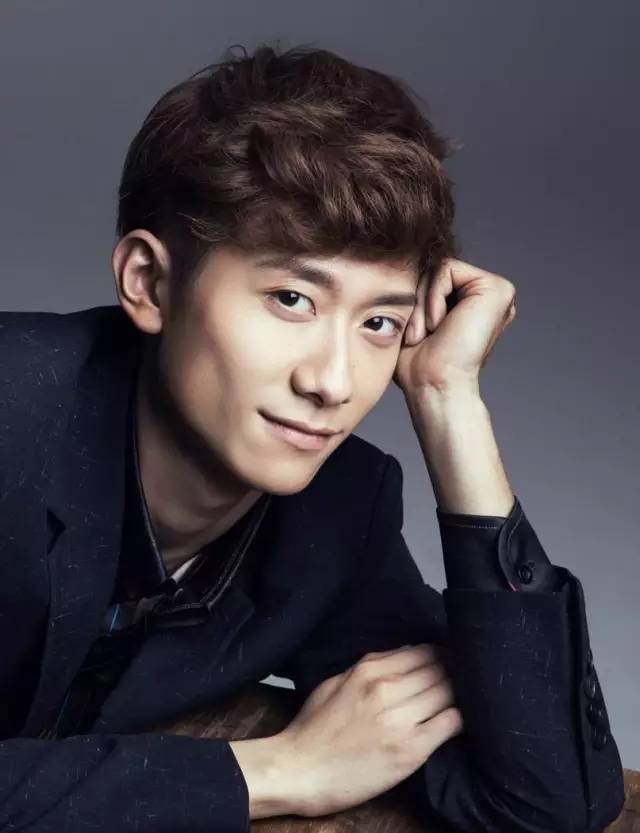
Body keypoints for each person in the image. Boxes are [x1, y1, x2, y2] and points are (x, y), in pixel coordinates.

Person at [0, 43, 624, 832]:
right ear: (150, 282)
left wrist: (450, 404)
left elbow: (549, 803)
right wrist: (277, 771)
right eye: (292, 298)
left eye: (379, 322)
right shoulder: (14, 409)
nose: (332, 380)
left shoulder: (337, 514)